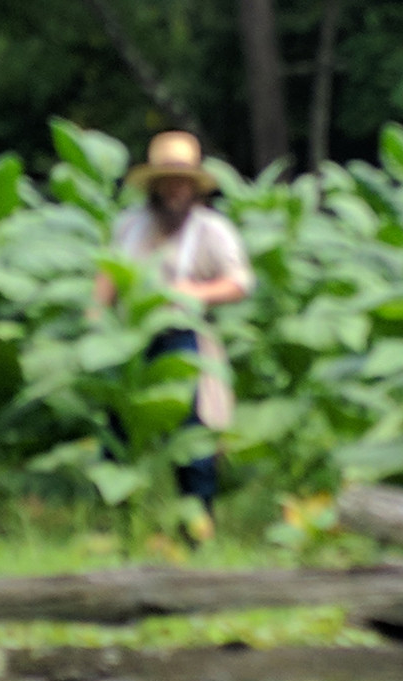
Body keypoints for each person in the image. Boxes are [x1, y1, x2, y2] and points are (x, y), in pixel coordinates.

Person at [93, 130, 255, 541]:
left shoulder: (211, 230)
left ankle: (196, 525)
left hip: (183, 339)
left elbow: (240, 282)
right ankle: (117, 521)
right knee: (117, 430)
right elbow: (109, 273)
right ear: (154, 186)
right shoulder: (130, 227)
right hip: (129, 341)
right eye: (167, 182)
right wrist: (96, 315)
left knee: (193, 436)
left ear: (194, 188)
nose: (175, 190)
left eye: (182, 182)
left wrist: (194, 292)